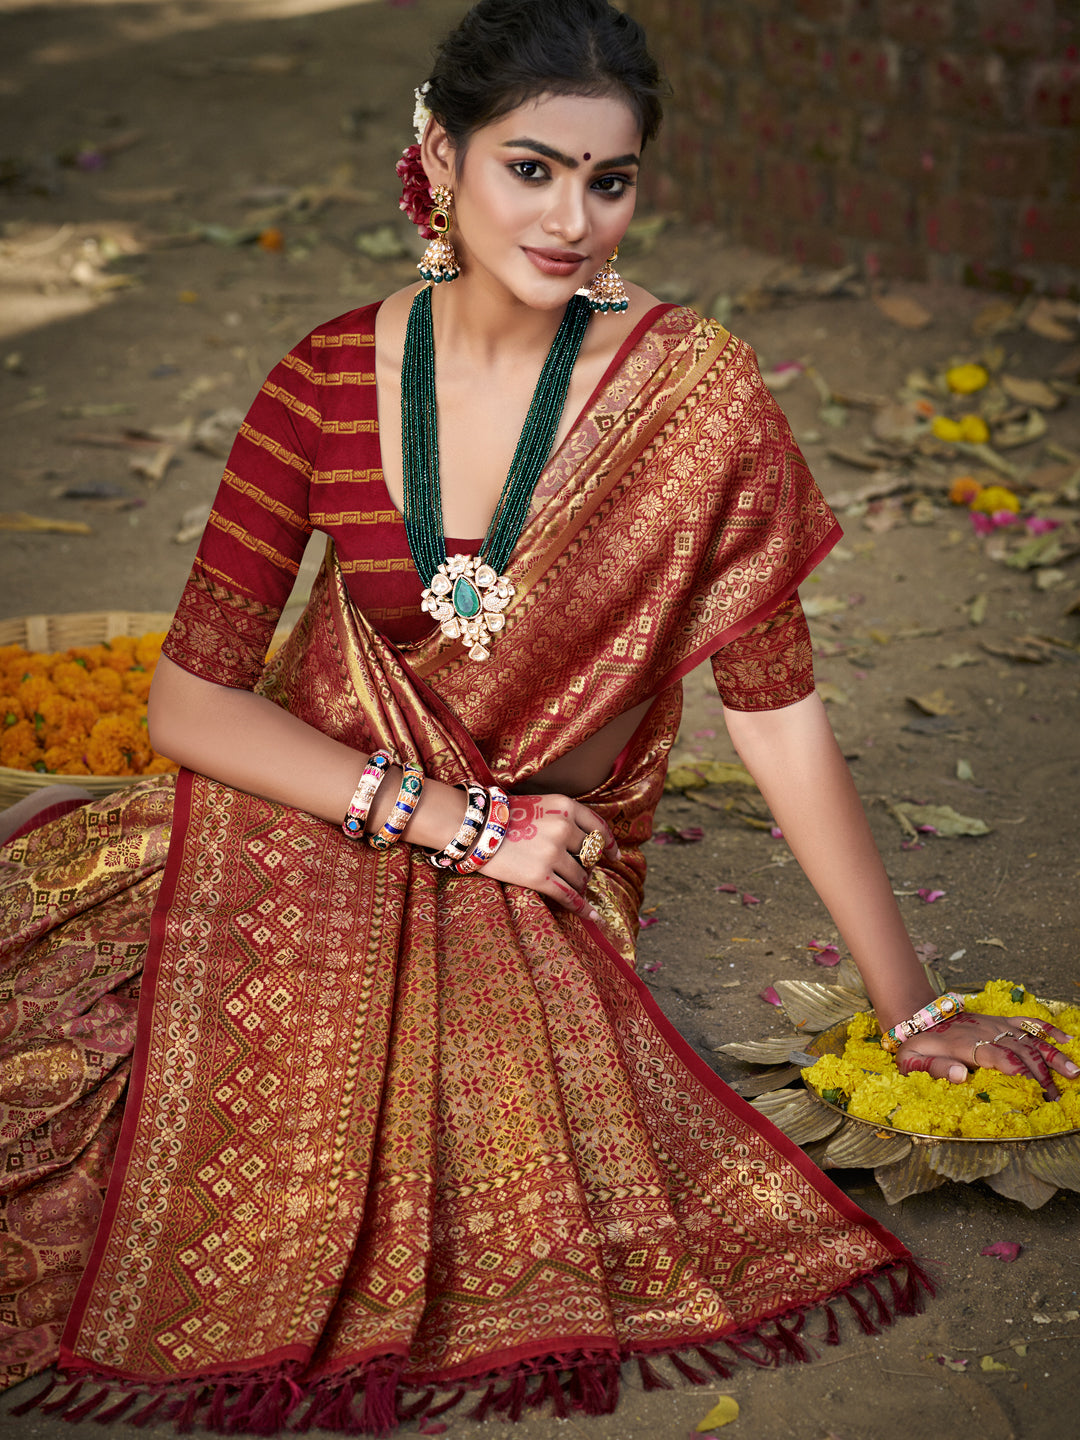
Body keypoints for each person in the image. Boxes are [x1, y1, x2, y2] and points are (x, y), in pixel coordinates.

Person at [2, 0, 1076, 1431]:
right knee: (84, 1060)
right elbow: (191, 699)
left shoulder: (697, 402)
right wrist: (451, 818)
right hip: (339, 798)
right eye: (532, 168)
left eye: (610, 179)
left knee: (416, 1155)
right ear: (439, 158)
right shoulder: (324, 381)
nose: (575, 217)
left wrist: (914, 1004)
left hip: (554, 855)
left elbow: (777, 716)